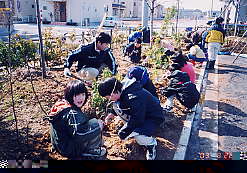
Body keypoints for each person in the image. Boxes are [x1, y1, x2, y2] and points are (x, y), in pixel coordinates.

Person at [98, 77, 164, 160]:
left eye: (108, 97)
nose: (109, 99)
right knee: (116, 106)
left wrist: (124, 131)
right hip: (142, 115)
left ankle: (151, 144)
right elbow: (122, 105)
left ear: (113, 93)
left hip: (153, 117)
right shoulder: (122, 89)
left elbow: (138, 119)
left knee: (139, 138)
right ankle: (135, 130)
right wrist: (111, 114)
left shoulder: (133, 97)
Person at [48, 80, 106, 159]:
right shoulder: (72, 113)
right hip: (69, 149)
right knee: (94, 123)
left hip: (60, 146)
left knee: (92, 125)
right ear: (70, 95)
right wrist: (98, 126)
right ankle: (91, 154)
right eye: (77, 95)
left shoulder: (63, 105)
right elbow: (79, 134)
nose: (80, 98)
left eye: (83, 94)